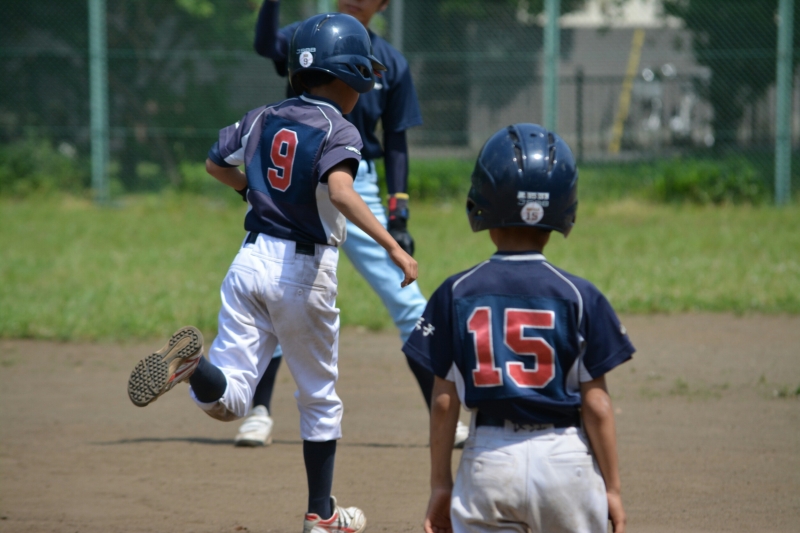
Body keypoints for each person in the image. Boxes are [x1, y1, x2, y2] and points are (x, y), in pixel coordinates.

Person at [126, 13, 417, 533]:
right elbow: (342, 192)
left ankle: (194, 367)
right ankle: (321, 514)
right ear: (349, 75)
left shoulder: (263, 115)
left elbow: (215, 163)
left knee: (231, 402)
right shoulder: (340, 128)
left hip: (248, 263)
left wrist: (248, 189)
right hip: (302, 273)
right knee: (320, 400)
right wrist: (393, 245)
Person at [235, 0, 469, 449]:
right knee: (281, 292)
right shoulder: (310, 35)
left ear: (384, 4)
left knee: (408, 301)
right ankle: (259, 411)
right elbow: (265, 44)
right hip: (300, 178)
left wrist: (398, 213)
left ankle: (443, 416)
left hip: (356, 181)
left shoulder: (390, 62)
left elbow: (396, 141)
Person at [402, 124, 634, 533]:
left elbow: (443, 403)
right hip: (567, 463)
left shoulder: (455, 293)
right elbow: (597, 405)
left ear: (482, 206)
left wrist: (440, 484)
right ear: (564, 210)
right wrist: (612, 489)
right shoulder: (580, 295)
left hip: (489, 462)